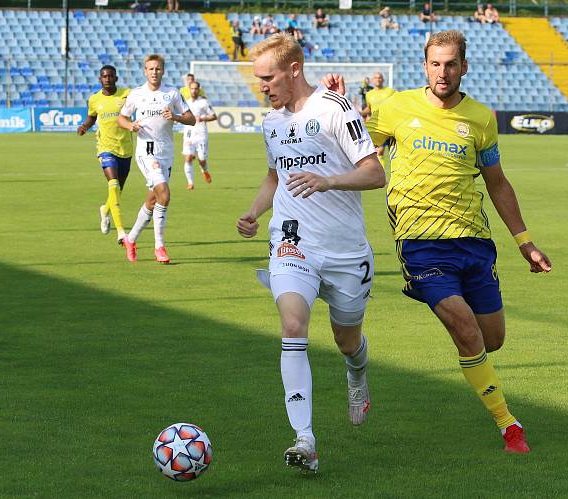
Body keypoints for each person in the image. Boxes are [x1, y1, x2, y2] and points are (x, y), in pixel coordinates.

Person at [321, 30, 551, 454]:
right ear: (424, 66)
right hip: (420, 242)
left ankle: (472, 356)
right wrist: (339, 106)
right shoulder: (396, 108)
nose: (442, 72)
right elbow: (355, 149)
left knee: (490, 339)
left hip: (474, 239)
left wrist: (525, 242)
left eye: (450, 64)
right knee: (466, 330)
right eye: (434, 64)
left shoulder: (481, 119)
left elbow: (497, 183)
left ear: (464, 66)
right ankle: (508, 425)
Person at [236, 33, 386, 474]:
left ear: (294, 69)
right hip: (291, 239)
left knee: (347, 340)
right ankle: (305, 439)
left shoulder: (334, 109)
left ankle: (357, 371)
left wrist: (328, 180)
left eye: (268, 77)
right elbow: (274, 177)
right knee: (292, 322)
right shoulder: (271, 122)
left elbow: (375, 173)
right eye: (259, 79)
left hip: (344, 249)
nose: (262, 86)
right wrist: (253, 211)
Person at [118, 54, 195, 264]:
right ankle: (159, 246)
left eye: (158, 69)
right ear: (145, 71)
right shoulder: (136, 94)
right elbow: (121, 118)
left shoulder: (172, 93)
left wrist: (176, 117)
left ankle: (130, 239)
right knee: (165, 193)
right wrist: (130, 126)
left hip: (166, 152)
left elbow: (192, 119)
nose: (154, 72)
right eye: (150, 69)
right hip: (146, 152)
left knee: (154, 199)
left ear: (163, 70)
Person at [77, 65, 133, 246]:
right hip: (105, 147)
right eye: (104, 76)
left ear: (116, 78)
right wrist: (85, 126)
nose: (107, 79)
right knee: (113, 184)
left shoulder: (127, 94)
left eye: (110, 76)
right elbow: (92, 117)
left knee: (117, 191)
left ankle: (105, 210)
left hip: (125, 148)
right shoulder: (94, 99)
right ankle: (121, 232)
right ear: (100, 79)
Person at [181, 80, 217, 190]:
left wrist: (202, 118)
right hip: (189, 134)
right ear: (189, 90)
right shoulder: (185, 102)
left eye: (196, 88)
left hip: (201, 134)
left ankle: (204, 170)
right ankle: (190, 183)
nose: (194, 90)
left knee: (201, 159)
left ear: (199, 89)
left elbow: (214, 116)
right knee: (188, 158)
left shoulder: (204, 102)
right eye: (192, 88)